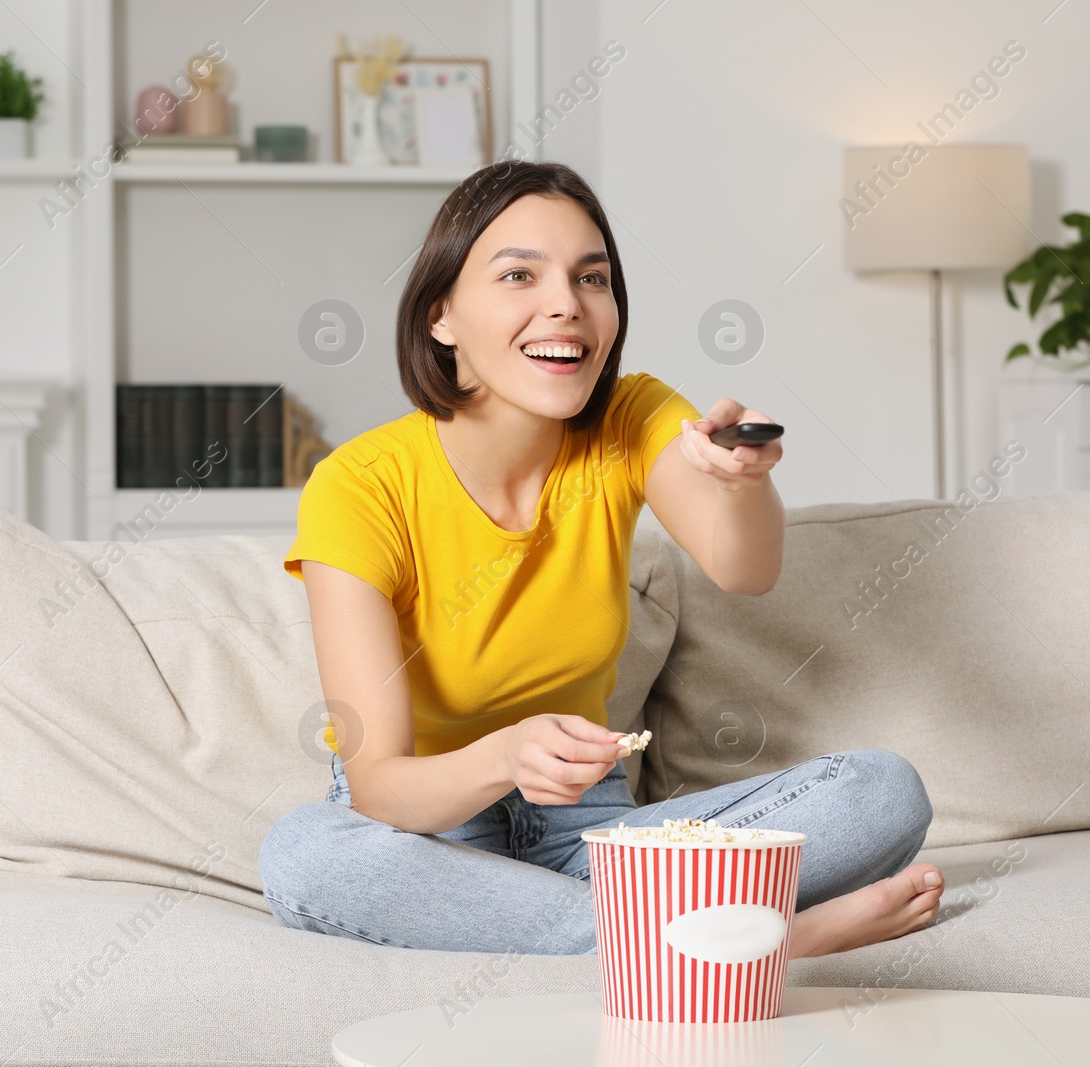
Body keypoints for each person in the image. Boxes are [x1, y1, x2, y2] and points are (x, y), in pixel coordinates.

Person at [258, 159, 942, 958]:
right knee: (305, 854)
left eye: (593, 278)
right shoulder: (360, 485)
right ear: (440, 314)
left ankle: (613, 935)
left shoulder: (630, 418)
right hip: (434, 836)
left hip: (597, 836)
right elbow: (377, 786)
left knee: (878, 792)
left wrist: (743, 483)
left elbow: (743, 569)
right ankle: (765, 943)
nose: (566, 304)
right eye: (519, 274)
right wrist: (507, 754)